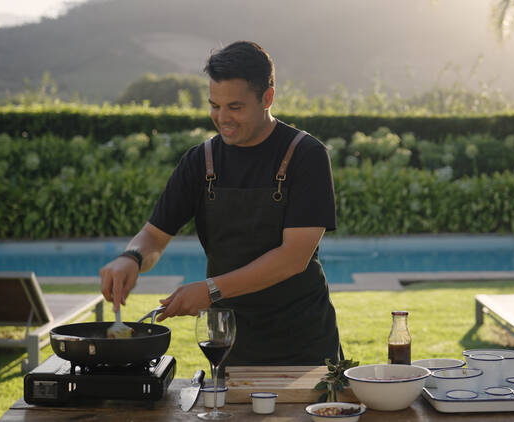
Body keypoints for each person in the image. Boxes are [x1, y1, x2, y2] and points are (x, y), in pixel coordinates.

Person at [99, 41, 341, 365]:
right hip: (229, 341)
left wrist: (211, 289)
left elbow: (293, 257)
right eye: (215, 105)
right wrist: (131, 258)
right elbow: (155, 236)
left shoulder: (306, 155)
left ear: (267, 98)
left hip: (304, 341)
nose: (222, 118)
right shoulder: (201, 161)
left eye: (235, 107)